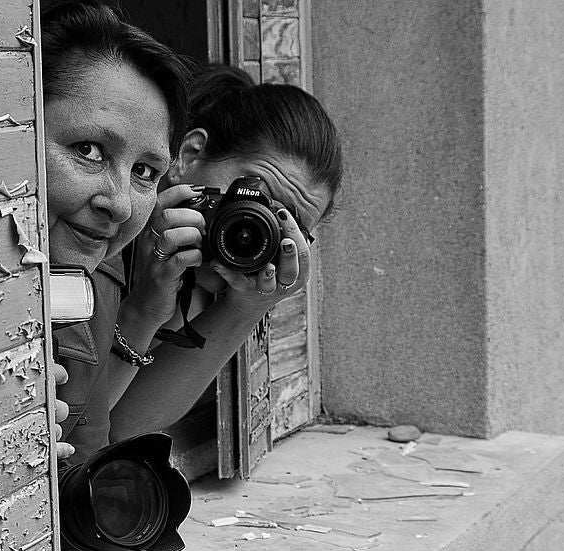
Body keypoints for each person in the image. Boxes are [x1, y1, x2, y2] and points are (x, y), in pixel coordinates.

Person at [70, 62, 344, 459]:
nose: (256, 226)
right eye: (257, 193)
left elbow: (127, 424)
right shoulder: (102, 229)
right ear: (190, 154)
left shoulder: (212, 287)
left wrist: (248, 306)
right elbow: (85, 429)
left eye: (285, 223)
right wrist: (145, 305)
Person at [37, 1, 194, 461]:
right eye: (88, 150)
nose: (121, 204)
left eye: (145, 171)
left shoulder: (93, 287)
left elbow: (85, 467)